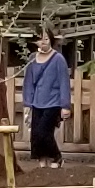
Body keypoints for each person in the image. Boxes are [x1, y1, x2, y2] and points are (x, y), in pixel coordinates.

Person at [21, 36, 73, 166]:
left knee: (44, 131)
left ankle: (56, 157)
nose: (42, 42)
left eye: (45, 38)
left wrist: (65, 105)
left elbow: (64, 82)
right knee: (36, 134)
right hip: (36, 101)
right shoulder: (32, 59)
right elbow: (28, 82)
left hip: (53, 102)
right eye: (39, 39)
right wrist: (27, 102)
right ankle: (42, 159)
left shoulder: (58, 59)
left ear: (50, 40)